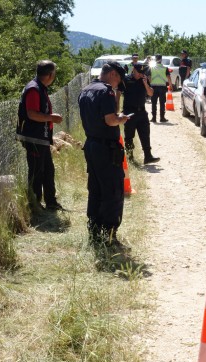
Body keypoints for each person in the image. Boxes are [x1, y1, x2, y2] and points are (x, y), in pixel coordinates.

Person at [78, 61, 131, 249]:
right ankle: (109, 234)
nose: (118, 85)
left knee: (95, 189)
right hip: (106, 148)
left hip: (91, 145)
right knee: (112, 190)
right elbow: (110, 120)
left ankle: (94, 231)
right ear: (113, 75)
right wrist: (122, 119)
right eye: (119, 81)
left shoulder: (86, 90)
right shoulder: (106, 91)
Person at [16, 60, 64, 211]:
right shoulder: (34, 89)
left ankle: (50, 201)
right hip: (34, 137)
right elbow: (32, 114)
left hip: (41, 137)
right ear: (50, 75)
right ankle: (35, 204)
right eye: (54, 74)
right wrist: (52, 117)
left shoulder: (40, 87)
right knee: (37, 172)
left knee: (48, 170)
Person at [122, 63, 160, 164]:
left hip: (142, 112)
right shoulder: (126, 79)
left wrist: (145, 84)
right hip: (129, 112)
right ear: (134, 70)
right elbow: (118, 92)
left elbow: (151, 93)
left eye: (142, 73)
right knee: (129, 136)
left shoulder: (144, 79)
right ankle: (130, 157)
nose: (140, 75)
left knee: (145, 134)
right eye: (139, 72)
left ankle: (148, 156)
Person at [149, 54, 170, 122]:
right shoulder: (165, 68)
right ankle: (162, 118)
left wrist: (149, 85)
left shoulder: (151, 68)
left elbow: (149, 77)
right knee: (162, 103)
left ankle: (154, 118)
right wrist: (171, 86)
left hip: (153, 87)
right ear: (161, 59)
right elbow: (168, 77)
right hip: (162, 87)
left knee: (154, 103)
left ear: (155, 59)